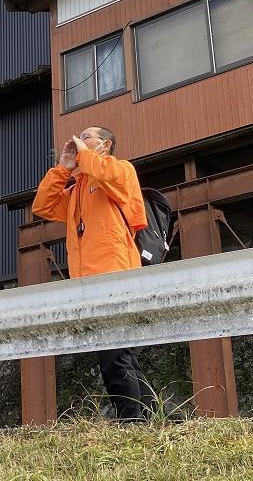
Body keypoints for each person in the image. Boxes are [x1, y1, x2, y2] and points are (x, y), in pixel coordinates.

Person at [32, 126, 153, 421]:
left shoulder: (120, 169)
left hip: (117, 275)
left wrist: (84, 157)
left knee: (115, 356)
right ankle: (148, 417)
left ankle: (132, 420)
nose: (79, 140)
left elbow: (104, 175)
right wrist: (63, 167)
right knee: (120, 354)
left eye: (87, 137)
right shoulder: (75, 190)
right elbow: (42, 206)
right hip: (88, 282)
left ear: (105, 144)